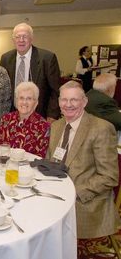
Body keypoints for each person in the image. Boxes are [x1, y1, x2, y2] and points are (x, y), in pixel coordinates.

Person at [47, 80, 119, 239]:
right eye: (64, 100)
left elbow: (109, 177)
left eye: (74, 100)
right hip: (55, 195)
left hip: (83, 201)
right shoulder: (56, 126)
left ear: (85, 101)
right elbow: (50, 162)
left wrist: (73, 193)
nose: (68, 104)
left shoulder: (101, 128)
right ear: (58, 102)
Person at [0, 22, 61, 122]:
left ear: (31, 38)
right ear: (13, 40)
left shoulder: (47, 58)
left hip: (39, 114)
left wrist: (52, 115)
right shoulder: (6, 58)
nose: (21, 40)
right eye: (18, 37)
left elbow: (55, 90)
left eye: (25, 36)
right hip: (12, 114)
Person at [0, 81, 50, 158]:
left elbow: (41, 157)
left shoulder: (43, 126)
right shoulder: (6, 119)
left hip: (29, 168)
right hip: (5, 164)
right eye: (21, 98)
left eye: (29, 99)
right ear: (16, 101)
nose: (24, 102)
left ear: (36, 103)